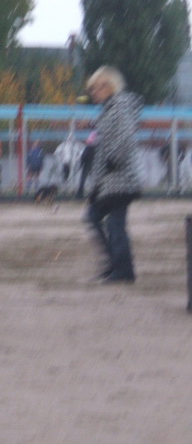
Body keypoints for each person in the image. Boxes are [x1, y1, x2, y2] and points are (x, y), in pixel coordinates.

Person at [85, 66, 142, 284]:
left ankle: (122, 269)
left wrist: (114, 159)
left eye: (96, 87)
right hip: (112, 180)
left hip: (120, 179)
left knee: (112, 223)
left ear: (108, 86)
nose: (93, 92)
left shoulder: (119, 107)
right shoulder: (111, 108)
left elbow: (126, 137)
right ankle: (117, 266)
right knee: (99, 219)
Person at [76, 131, 97, 199]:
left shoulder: (88, 147)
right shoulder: (98, 147)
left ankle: (80, 193)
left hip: (87, 165)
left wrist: (81, 164)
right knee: (94, 179)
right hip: (94, 165)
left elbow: (83, 156)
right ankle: (95, 193)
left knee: (83, 179)